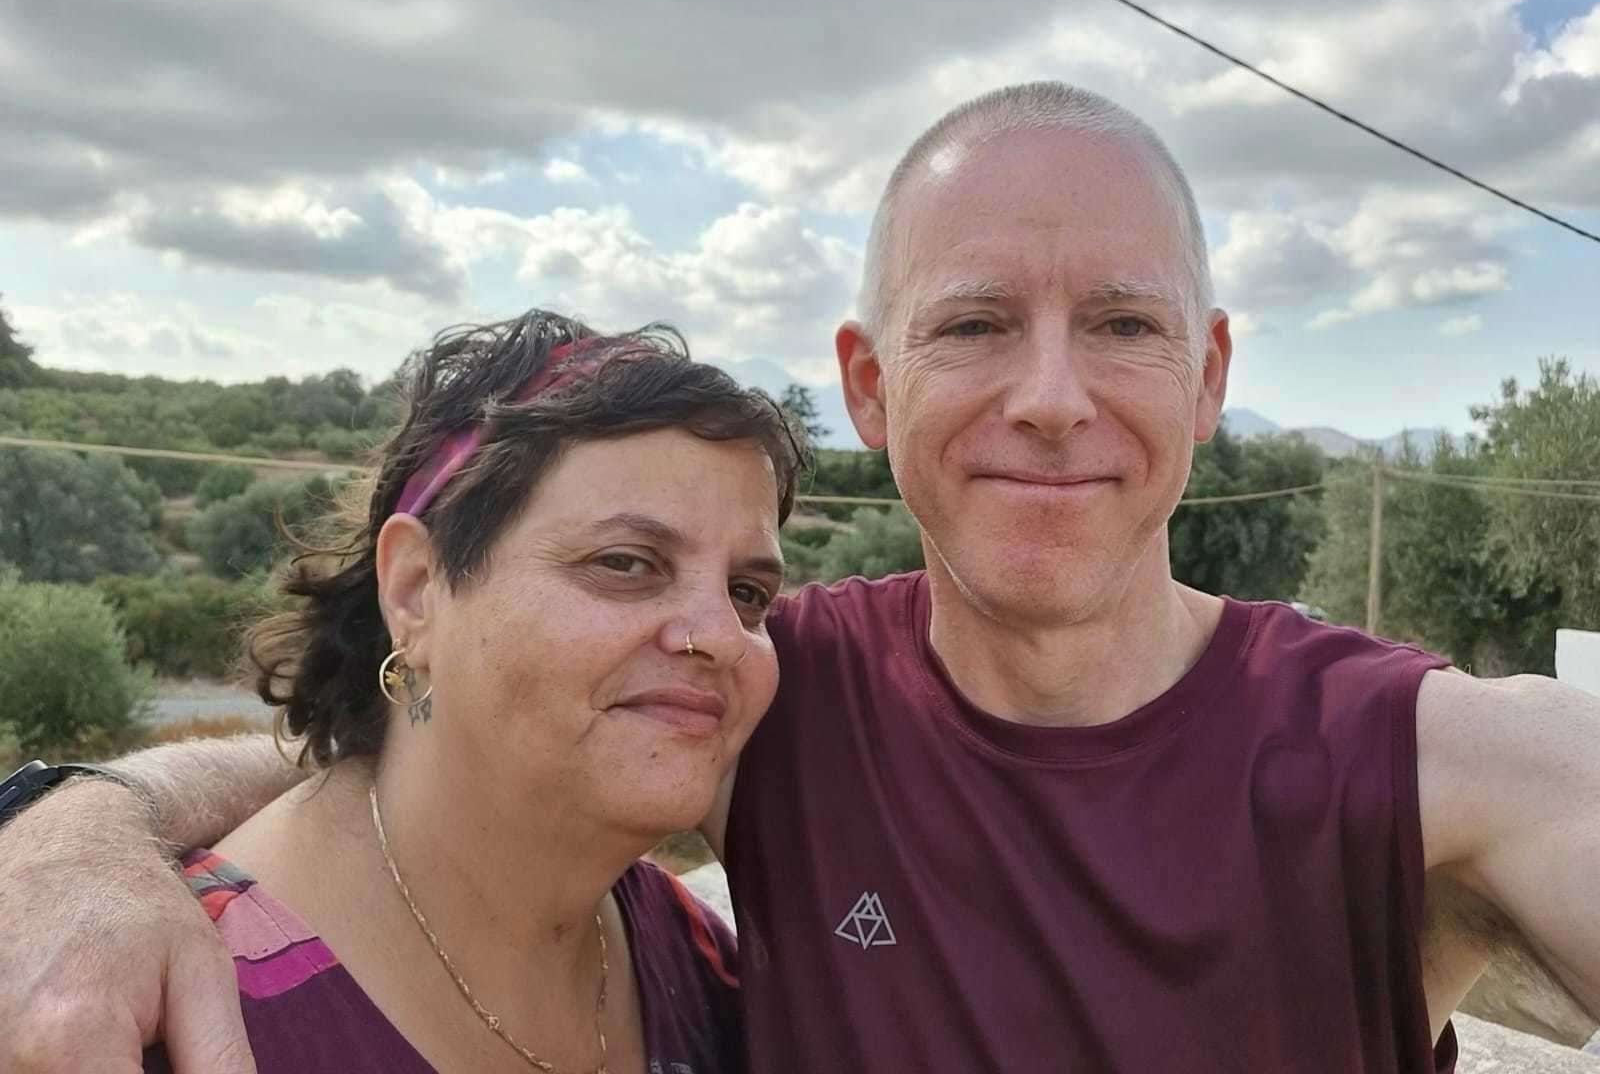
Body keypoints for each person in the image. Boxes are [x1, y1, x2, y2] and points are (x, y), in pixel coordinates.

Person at [3, 83, 1598, 1073]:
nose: (1052, 395)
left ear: (1210, 374)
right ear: (871, 384)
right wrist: (79, 828)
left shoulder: (1414, 752)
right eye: (975, 323)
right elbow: (439, 744)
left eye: (1123, 322)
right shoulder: (770, 685)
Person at [0, 310, 806, 1073]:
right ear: (417, 590)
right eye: (626, 563)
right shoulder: (133, 1007)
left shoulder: (698, 960)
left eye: (747, 593)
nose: (719, 637)